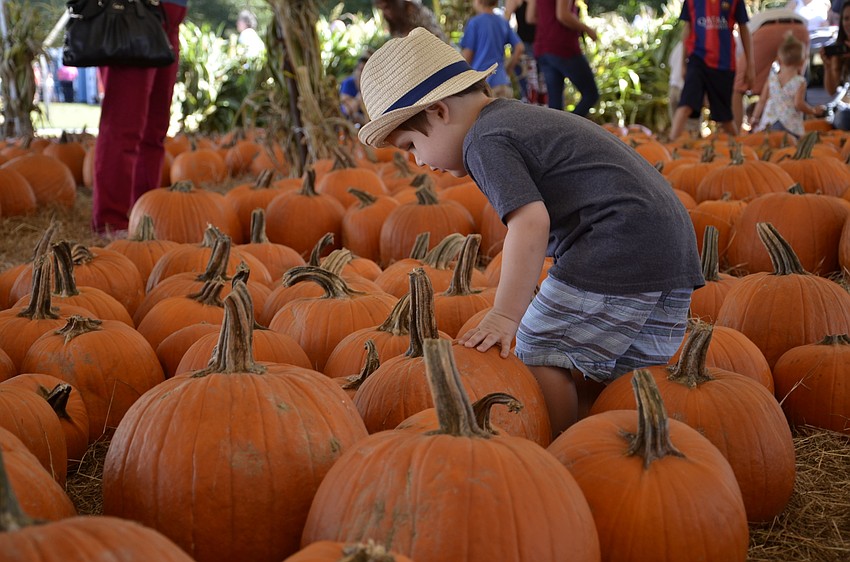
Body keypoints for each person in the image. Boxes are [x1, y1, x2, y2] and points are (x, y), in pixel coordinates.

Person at [356, 28, 704, 437]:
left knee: (539, 346)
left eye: (411, 145)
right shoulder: (514, 118)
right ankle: (611, 443)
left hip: (618, 243)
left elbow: (529, 221)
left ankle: (556, 451)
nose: (417, 161)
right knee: (621, 377)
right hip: (670, 245)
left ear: (438, 112)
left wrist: (506, 315)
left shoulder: (483, 140)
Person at [91, 0, 188, 236]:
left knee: (155, 130)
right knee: (124, 126)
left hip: (170, 16)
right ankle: (111, 223)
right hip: (131, 13)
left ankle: (144, 214)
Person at [669, 0, 754, 140]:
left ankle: (739, 147)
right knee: (686, 105)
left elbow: (744, 29)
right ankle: (670, 147)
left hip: (723, 63)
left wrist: (750, 65)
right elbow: (687, 28)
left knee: (724, 116)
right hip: (697, 59)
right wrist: (683, 62)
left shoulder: (735, 2)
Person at [731, 7, 809, 131]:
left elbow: (748, 82)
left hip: (766, 29)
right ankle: (800, 125)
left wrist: (754, 117)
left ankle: (735, 133)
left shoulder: (738, 41)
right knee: (796, 80)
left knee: (738, 86)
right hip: (801, 29)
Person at [525, 0, 599, 116]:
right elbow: (563, 15)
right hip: (563, 46)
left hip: (543, 46)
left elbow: (530, 17)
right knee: (591, 94)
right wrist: (587, 29)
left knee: (555, 106)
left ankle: (558, 131)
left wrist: (548, 22)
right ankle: (569, 128)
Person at [751, 33, 826, 137]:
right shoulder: (800, 81)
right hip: (789, 125)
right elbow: (798, 104)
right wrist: (812, 110)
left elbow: (762, 101)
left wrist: (755, 118)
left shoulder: (771, 79)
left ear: (779, 60)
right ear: (802, 62)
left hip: (769, 123)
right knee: (790, 150)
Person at [460, 0, 525, 99]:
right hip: (502, 82)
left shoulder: (475, 23)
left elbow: (467, 56)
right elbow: (519, 47)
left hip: (481, 85)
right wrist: (508, 69)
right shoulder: (502, 22)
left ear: (478, 1)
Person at [504, 0, 543, 103]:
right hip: (525, 47)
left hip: (540, 46)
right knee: (530, 92)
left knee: (537, 92)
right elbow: (505, 20)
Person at [823, 0, 850, 128]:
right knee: (842, 117)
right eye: (846, 18)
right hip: (845, 108)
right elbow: (831, 90)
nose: (848, 23)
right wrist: (828, 67)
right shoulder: (839, 49)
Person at [374, 0, 448, 41]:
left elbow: (437, 36)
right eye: (382, 9)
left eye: (387, 7)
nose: (386, 13)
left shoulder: (418, 12)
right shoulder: (394, 25)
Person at [339, 53, 370, 126]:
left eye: (365, 70)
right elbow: (346, 109)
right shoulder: (348, 83)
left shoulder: (370, 85)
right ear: (356, 70)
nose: (361, 73)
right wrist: (358, 99)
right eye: (360, 69)